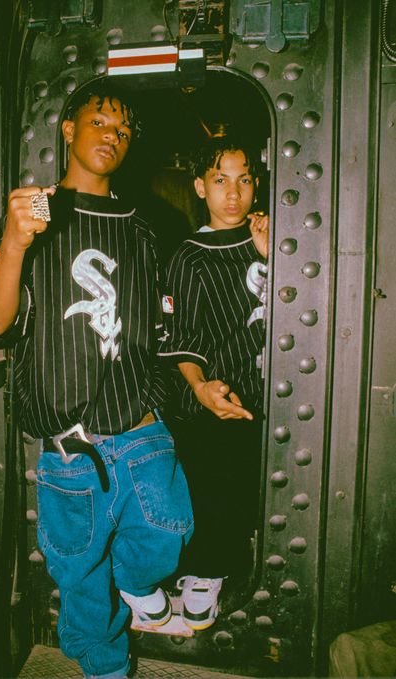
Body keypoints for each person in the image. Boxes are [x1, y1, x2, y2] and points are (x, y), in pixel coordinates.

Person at [0, 81, 193, 679]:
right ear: (69, 129)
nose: (112, 137)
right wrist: (14, 241)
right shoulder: (31, 213)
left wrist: (194, 384)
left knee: (169, 534)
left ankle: (131, 590)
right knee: (81, 580)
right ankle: (103, 664)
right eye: (100, 123)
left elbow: (158, 330)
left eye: (123, 131)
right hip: (70, 449)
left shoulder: (147, 227)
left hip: (140, 429)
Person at [159, 136, 268, 631]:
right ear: (200, 187)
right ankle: (203, 572)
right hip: (213, 396)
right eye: (221, 180)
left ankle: (213, 565)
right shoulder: (190, 255)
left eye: (243, 180)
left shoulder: (273, 239)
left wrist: (273, 254)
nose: (233, 193)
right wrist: (202, 388)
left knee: (244, 489)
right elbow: (180, 338)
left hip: (266, 392)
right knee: (210, 484)